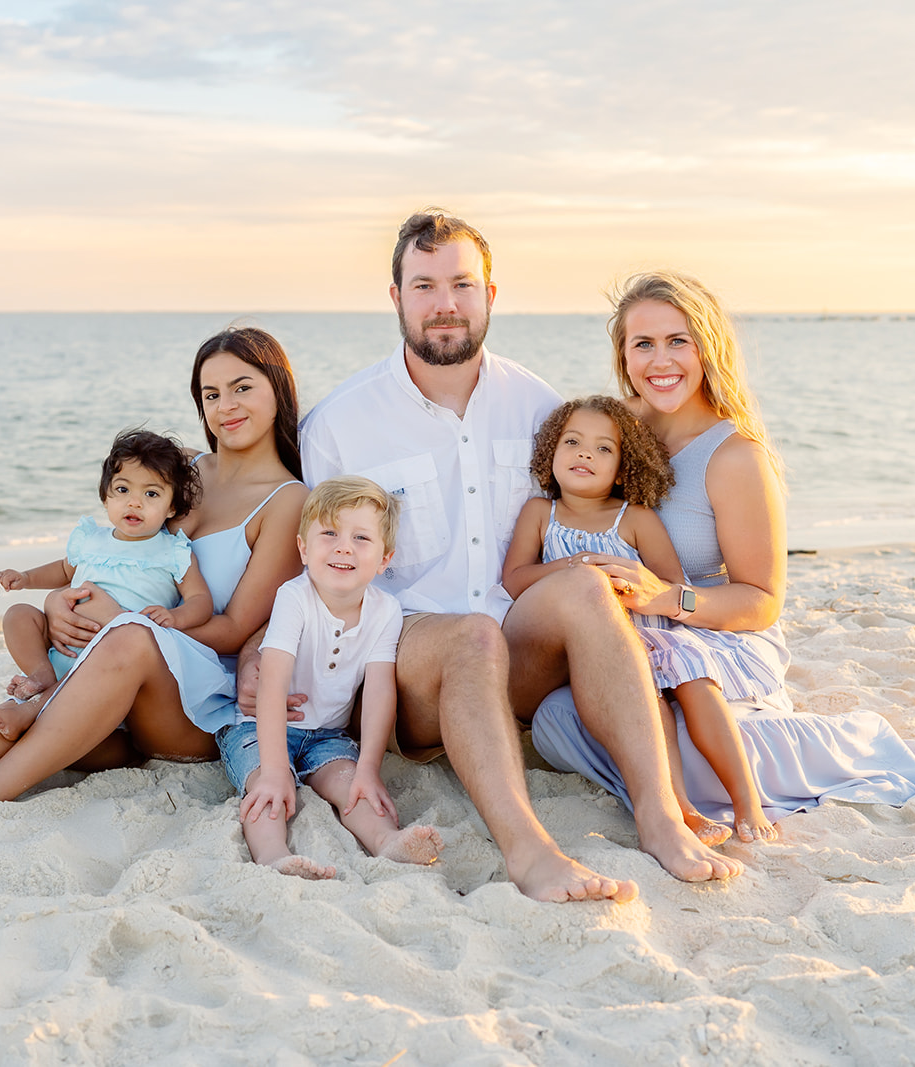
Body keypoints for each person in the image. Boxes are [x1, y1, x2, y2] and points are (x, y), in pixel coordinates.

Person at [279, 210, 745, 901]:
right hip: (407, 668)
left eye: (463, 285)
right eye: (425, 285)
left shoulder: (539, 407)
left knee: (586, 585)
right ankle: (529, 851)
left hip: (516, 657)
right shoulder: (340, 425)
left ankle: (660, 814)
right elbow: (305, 572)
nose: (445, 304)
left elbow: (597, 512)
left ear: (491, 295)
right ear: (396, 297)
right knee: (470, 635)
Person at [0, 327, 307, 866]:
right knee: (15, 718)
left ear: (276, 388)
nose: (225, 406)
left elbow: (234, 629)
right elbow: (106, 561)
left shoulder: (287, 500)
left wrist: (124, 623)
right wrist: (57, 601)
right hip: (105, 694)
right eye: (210, 395)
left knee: (129, 642)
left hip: (189, 708)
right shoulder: (178, 470)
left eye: (242, 388)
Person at [530, 270, 915, 822]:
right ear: (623, 355)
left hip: (714, 638)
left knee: (675, 746)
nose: (662, 361)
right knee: (555, 721)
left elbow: (761, 600)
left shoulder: (734, 456)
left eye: (679, 341)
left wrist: (667, 597)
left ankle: (833, 748)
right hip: (627, 641)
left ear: (708, 347)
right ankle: (662, 781)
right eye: (644, 344)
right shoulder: (613, 429)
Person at [501, 395, 774, 845]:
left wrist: (637, 588)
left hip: (654, 631)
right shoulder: (539, 513)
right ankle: (681, 806)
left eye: (604, 449)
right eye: (572, 441)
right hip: (602, 645)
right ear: (551, 451)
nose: (585, 454)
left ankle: (747, 803)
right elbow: (515, 579)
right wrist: (579, 564)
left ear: (625, 466)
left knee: (697, 681)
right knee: (649, 706)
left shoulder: (636, 519)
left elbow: (667, 581)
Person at [220, 476, 444, 879]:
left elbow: (379, 691)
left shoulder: (385, 611)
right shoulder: (294, 597)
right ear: (304, 549)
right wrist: (273, 769)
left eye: (362, 538)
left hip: (328, 735)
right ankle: (272, 855)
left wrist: (369, 767)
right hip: (261, 728)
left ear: (384, 559)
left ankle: (385, 841)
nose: (344, 546)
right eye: (329, 533)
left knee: (351, 786)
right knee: (267, 793)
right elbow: (271, 683)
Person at [0, 428, 214, 740]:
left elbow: (200, 599)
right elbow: (64, 570)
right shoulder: (91, 539)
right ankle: (41, 674)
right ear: (106, 496)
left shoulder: (173, 551)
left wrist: (177, 617)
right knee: (18, 615)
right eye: (122, 490)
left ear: (172, 507)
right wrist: (25, 578)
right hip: (64, 643)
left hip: (111, 660)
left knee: (78, 682)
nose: (135, 503)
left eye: (151, 494)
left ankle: (29, 711)